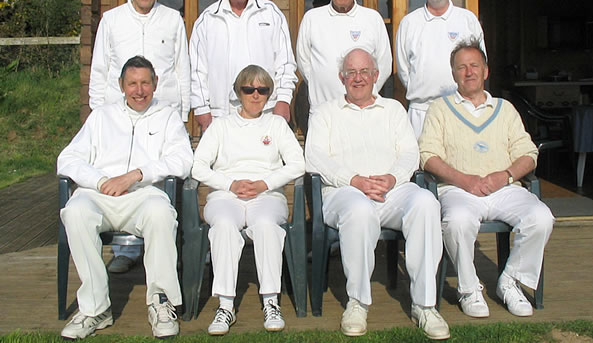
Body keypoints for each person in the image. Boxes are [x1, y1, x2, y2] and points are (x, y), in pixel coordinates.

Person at [305, 48, 449, 340]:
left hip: (390, 189)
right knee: (360, 210)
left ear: (375, 76)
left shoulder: (394, 110)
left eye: (364, 72)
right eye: (351, 73)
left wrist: (393, 177)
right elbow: (315, 158)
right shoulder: (325, 113)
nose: (358, 79)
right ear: (341, 78)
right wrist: (354, 180)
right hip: (343, 192)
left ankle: (425, 305)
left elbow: (410, 152)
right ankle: (357, 303)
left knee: (425, 202)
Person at [58, 56, 193, 339]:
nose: (139, 90)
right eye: (132, 83)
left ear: (155, 85)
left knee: (161, 214)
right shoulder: (101, 117)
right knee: (75, 211)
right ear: (122, 86)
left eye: (145, 83)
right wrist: (100, 180)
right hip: (100, 195)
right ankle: (96, 308)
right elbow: (68, 159)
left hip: (143, 196)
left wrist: (136, 175)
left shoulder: (167, 116)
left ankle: (161, 302)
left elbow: (182, 160)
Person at [419, 39, 554, 319]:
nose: (469, 72)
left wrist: (505, 176)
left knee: (541, 218)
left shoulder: (505, 109)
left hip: (504, 188)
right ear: (454, 74)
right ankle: (468, 289)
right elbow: (427, 156)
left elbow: (528, 153)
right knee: (456, 222)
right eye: (461, 68)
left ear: (486, 71)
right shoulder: (439, 109)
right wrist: (463, 179)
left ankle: (510, 282)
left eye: (474, 66)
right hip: (459, 190)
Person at [88, 0, 191, 273]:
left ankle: (169, 249)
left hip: (163, 113)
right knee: (121, 174)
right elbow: (100, 68)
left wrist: (183, 112)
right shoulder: (111, 19)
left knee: (159, 183)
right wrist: (98, 113)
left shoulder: (173, 19)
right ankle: (126, 249)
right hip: (118, 114)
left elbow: (181, 68)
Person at [191, 65, 305, 335]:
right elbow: (198, 167)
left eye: (262, 90)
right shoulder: (221, 125)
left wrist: (265, 183)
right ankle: (225, 305)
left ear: (269, 95)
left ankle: (270, 301)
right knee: (224, 225)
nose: (255, 95)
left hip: (265, 195)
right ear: (238, 92)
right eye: (248, 89)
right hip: (226, 194)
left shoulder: (277, 125)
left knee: (266, 224)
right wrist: (230, 184)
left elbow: (298, 164)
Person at [189, 0, 297, 131]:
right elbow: (197, 70)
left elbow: (285, 63)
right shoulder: (208, 19)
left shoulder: (271, 13)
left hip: (266, 110)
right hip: (221, 114)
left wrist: (283, 100)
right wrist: (201, 108)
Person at [396, 0, 485, 137]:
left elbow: (480, 63)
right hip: (422, 111)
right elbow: (403, 68)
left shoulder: (467, 19)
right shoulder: (409, 23)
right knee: (423, 163)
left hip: (462, 108)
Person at [297, 0, 392, 113]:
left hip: (362, 110)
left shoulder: (372, 18)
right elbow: (304, 62)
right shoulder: (312, 18)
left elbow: (385, 63)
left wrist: (366, 93)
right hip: (323, 110)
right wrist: (319, 85)